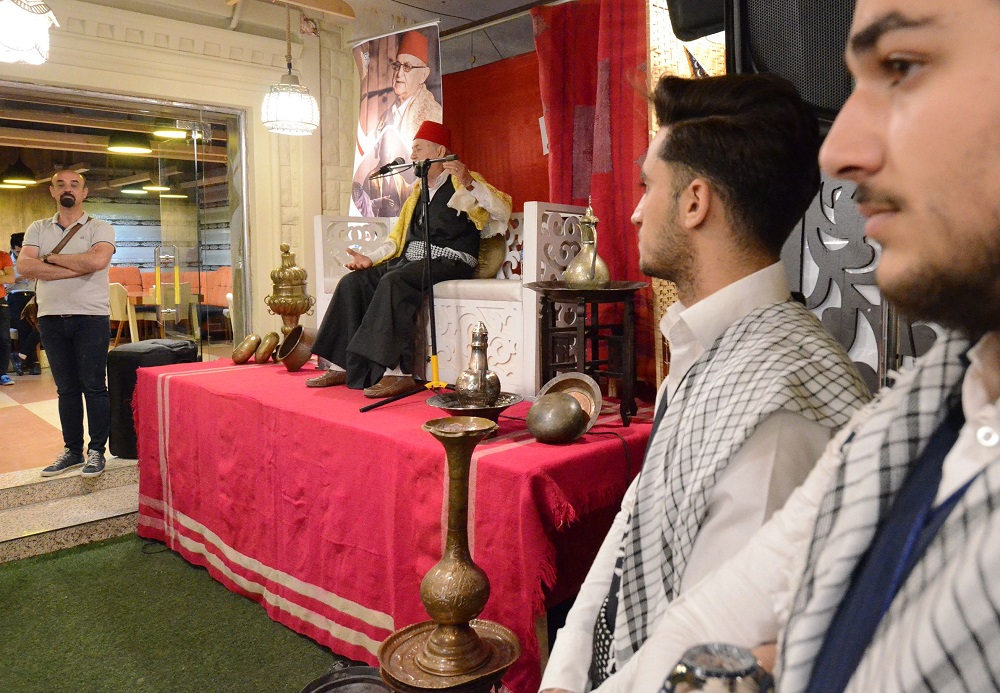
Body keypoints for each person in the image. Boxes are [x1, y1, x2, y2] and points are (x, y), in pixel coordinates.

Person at [576, 0, 1000, 690]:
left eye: (903, 66)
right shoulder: (937, 392)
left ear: (696, 202)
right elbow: (684, 599)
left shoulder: (780, 400)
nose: (839, 151)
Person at [539, 73, 871, 693]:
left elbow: (714, 657)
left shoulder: (780, 404)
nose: (635, 210)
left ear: (695, 203)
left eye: (647, 186)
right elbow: (631, 529)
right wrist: (564, 673)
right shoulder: (703, 345)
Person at [309, 120, 511, 398]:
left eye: (418, 148)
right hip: (412, 261)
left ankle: (398, 372)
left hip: (452, 261)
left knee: (395, 283)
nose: (413, 155)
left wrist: (470, 183)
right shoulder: (417, 193)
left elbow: (502, 211)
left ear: (440, 151)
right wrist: (370, 258)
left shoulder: (463, 182)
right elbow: (397, 239)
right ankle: (343, 364)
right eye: (412, 150)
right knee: (353, 282)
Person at [18, 170, 115, 478]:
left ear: (84, 192)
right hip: (51, 317)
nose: (67, 189)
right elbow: (24, 266)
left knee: (95, 386)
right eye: (61, 184)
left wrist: (49, 261)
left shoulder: (100, 226)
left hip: (91, 316)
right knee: (66, 389)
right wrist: (78, 264)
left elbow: (97, 262)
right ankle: (72, 451)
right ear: (52, 191)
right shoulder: (37, 228)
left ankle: (97, 451)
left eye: (74, 184)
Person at [353, 30, 444, 217]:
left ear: (424, 74)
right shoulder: (384, 116)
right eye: (397, 65)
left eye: (408, 67)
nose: (399, 73)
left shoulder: (431, 113)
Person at [7, 233, 42, 376]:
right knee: (24, 327)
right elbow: (4, 287)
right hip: (15, 296)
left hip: (33, 296)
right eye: (17, 252)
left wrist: (38, 276)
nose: (21, 254)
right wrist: (16, 279)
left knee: (41, 326)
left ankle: (20, 357)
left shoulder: (34, 258)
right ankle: (33, 363)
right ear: (12, 249)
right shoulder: (7, 262)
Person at [0, 246, 13, 386]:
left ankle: (2, 373)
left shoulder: (3, 256)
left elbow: (10, 278)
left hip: (0, 302)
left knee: (4, 339)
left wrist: (4, 275)